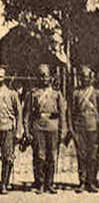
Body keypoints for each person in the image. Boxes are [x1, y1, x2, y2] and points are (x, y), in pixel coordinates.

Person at [23, 64, 67, 194]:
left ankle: (50, 183)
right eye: (41, 76)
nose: (43, 79)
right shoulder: (32, 94)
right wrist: (26, 130)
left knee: (52, 156)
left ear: (51, 78)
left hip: (53, 127)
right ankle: (40, 183)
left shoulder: (57, 94)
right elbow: (27, 114)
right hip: (38, 127)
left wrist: (63, 130)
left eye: (46, 76)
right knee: (39, 156)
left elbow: (62, 114)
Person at [69, 65, 99, 193]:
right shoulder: (76, 93)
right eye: (82, 77)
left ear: (91, 78)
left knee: (93, 156)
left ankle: (91, 181)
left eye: (86, 77)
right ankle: (82, 181)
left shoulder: (98, 94)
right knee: (81, 156)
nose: (84, 79)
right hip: (80, 128)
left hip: (94, 129)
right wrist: (71, 129)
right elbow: (71, 112)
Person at [0, 65, 23, 195]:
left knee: (7, 157)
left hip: (7, 128)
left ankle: (4, 183)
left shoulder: (12, 94)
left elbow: (19, 112)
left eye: (2, 75)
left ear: (5, 77)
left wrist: (19, 130)